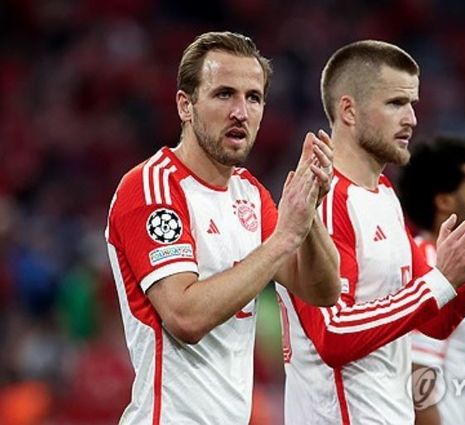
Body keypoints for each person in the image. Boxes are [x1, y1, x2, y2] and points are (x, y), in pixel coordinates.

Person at [275, 40, 465, 424]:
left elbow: (432, 323)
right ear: (349, 110)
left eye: (412, 103)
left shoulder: (384, 195)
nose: (412, 118)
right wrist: (438, 281)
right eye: (396, 103)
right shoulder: (323, 200)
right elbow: (332, 336)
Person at [105, 31, 341, 424]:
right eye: (224, 94)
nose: (240, 112)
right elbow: (185, 317)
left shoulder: (250, 193)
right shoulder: (151, 188)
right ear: (185, 105)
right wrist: (284, 238)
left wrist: (308, 212)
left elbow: (324, 290)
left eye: (253, 98)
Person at [399, 136, 465, 425]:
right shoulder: (427, 267)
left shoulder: (453, 268)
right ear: (444, 201)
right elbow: (418, 378)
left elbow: (459, 394)